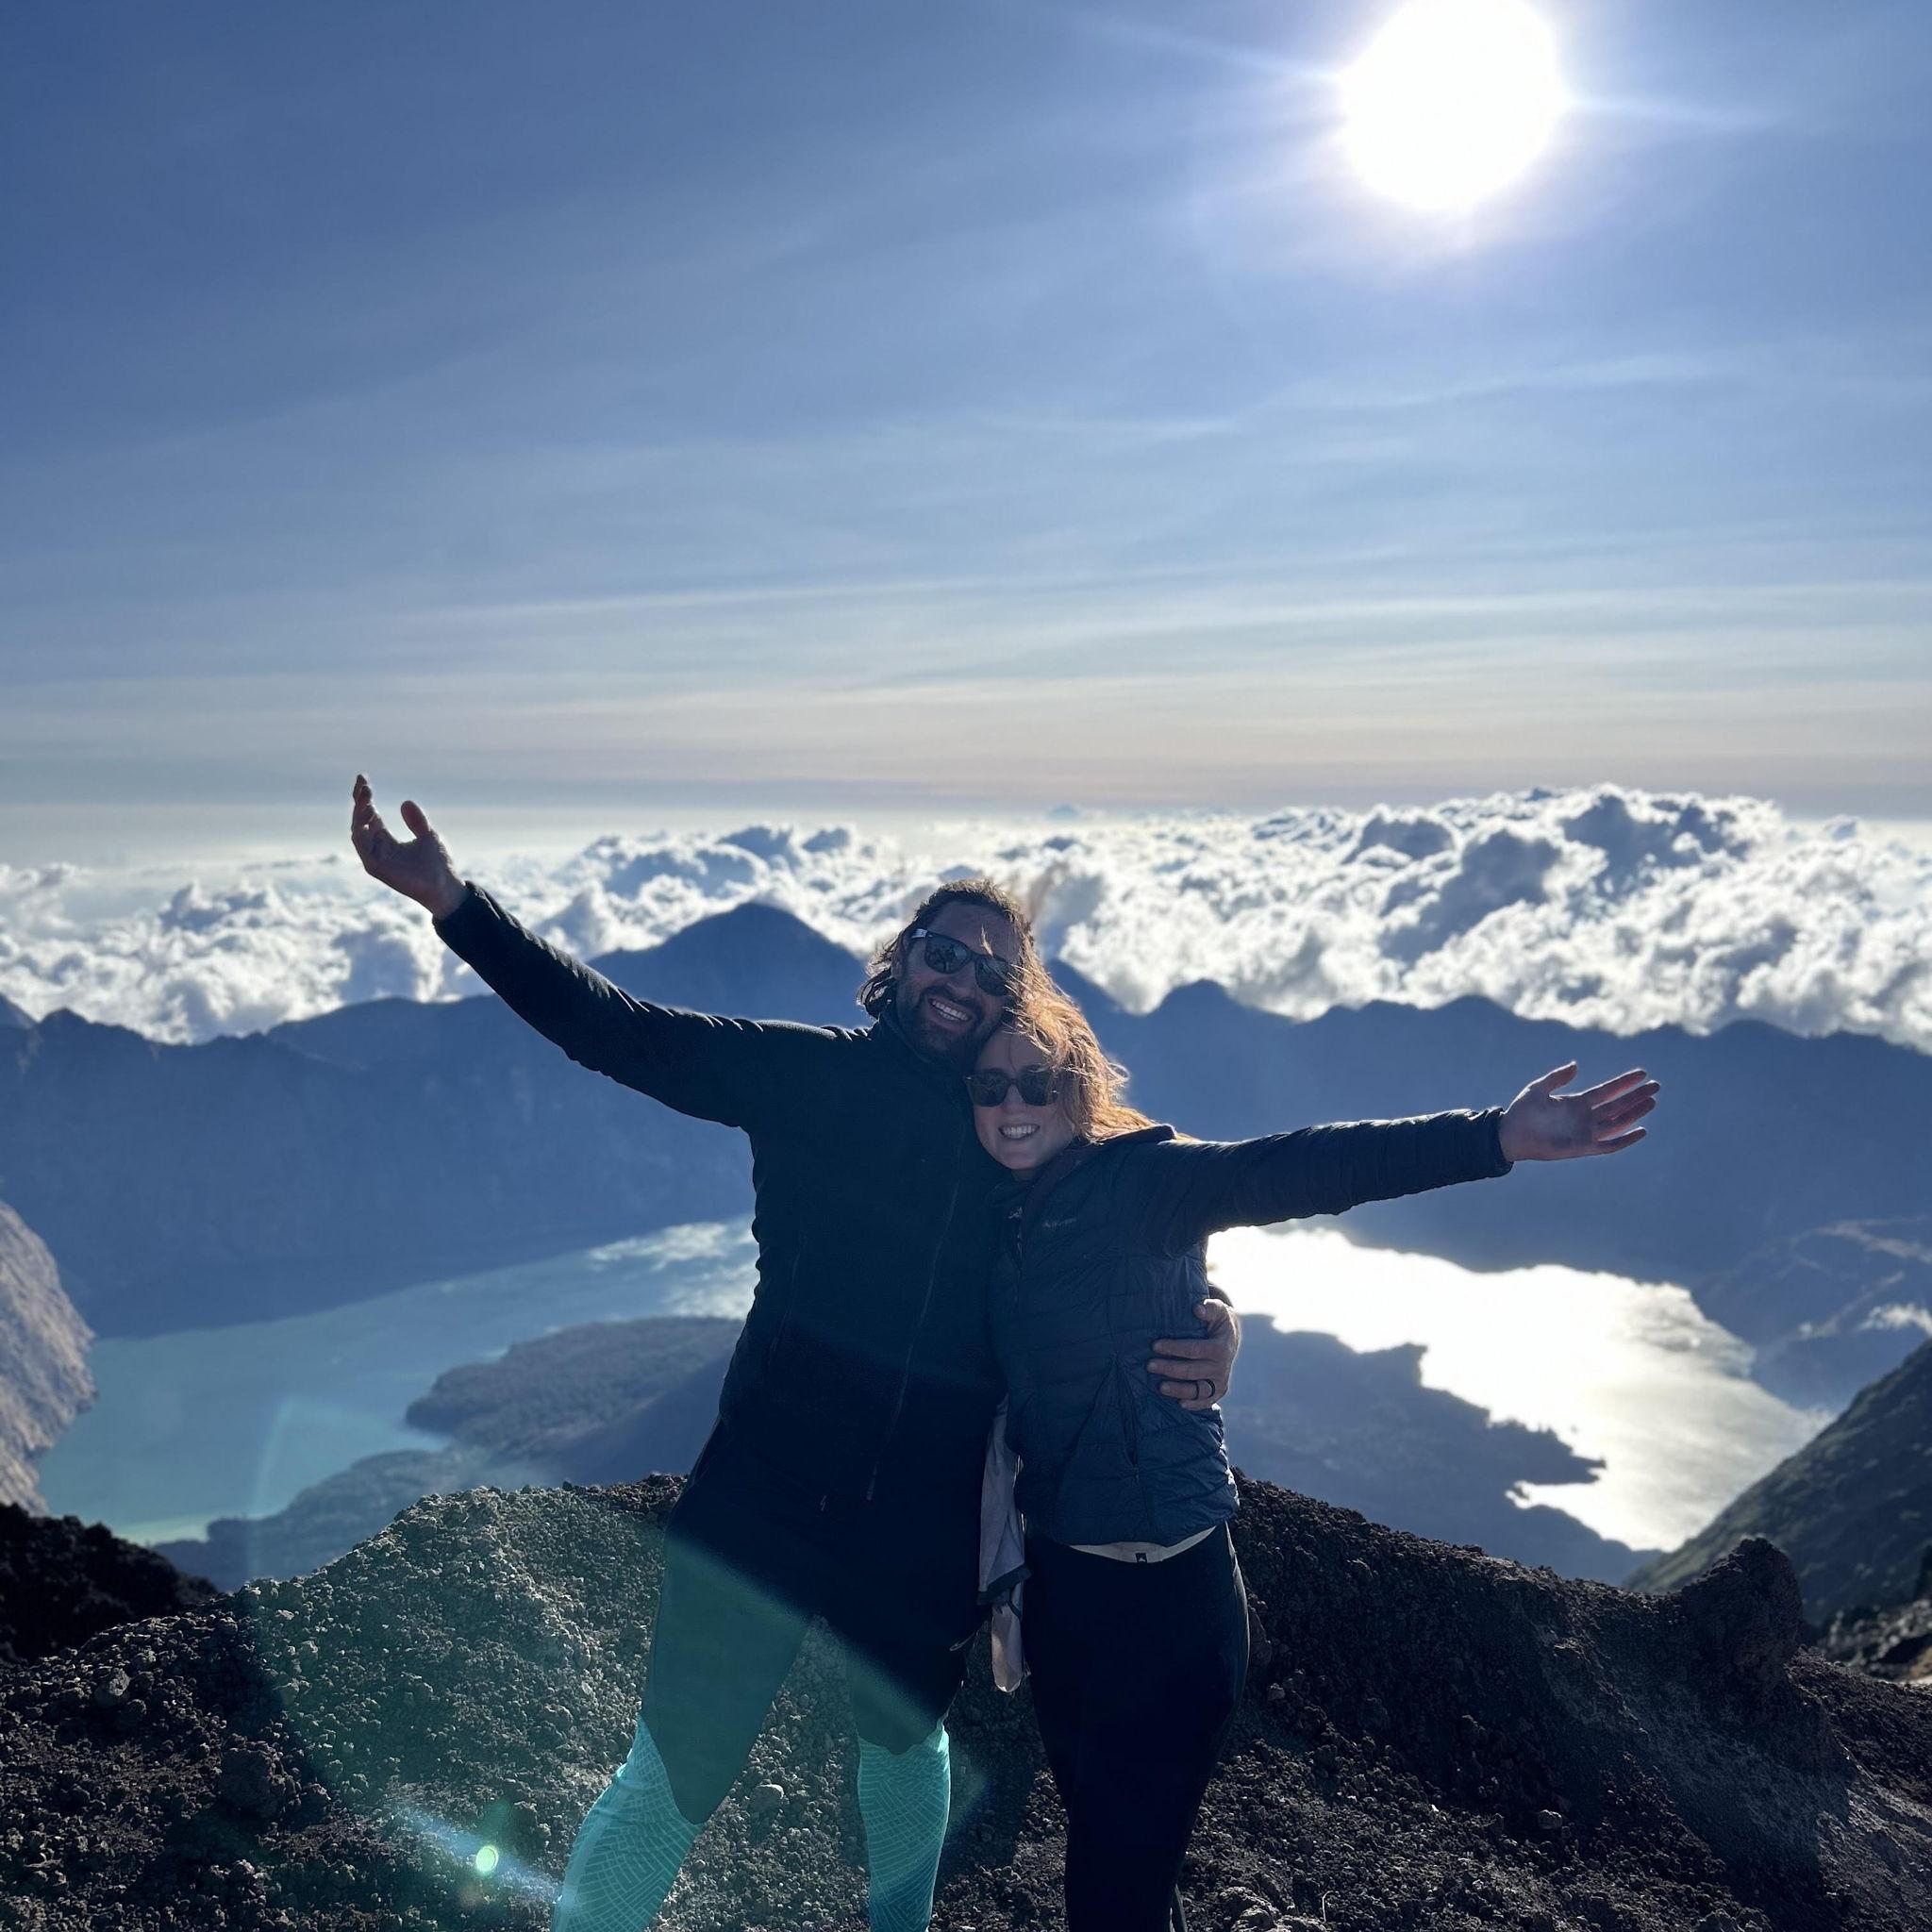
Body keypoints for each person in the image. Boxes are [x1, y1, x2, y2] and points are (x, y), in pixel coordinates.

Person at [347, 774, 1242, 1932]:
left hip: (923, 1517)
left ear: (1012, 1002)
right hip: (760, 1491)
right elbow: (620, 1031)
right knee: (675, 1764)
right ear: (899, 961)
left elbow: (1132, 1217)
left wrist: (1213, 1310)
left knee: (903, 1738)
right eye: (941, 950)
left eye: (990, 969)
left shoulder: (1013, 1125)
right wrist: (455, 905)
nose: (960, 977)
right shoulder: (804, 1074)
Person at [969, 983, 1660, 1932]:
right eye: (990, 1085)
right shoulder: (993, 1215)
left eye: (1037, 1081)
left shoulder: (1146, 1182)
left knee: (1109, 1885)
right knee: (1117, 1852)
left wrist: (1494, 1137)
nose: (1012, 1104)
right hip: (1065, 1593)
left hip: (1169, 1599)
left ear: (1077, 1088)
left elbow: (1299, 1167)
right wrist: (1221, 1314)